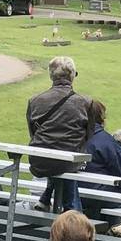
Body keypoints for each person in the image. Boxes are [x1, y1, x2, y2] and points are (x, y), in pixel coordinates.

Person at [26, 57, 90, 213]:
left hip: (40, 160)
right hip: (69, 162)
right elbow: (88, 135)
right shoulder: (85, 102)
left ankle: (46, 198)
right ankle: (72, 213)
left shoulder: (34, 101)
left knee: (57, 156)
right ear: (73, 76)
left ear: (51, 76)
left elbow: (33, 134)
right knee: (66, 160)